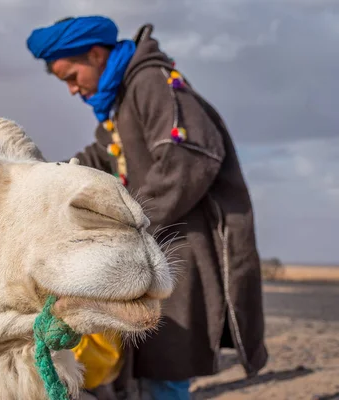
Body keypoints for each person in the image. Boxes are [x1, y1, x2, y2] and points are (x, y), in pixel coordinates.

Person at [26, 16, 268, 399]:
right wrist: (41, 177)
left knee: (165, 370)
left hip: (179, 249)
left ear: (95, 54)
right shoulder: (118, 103)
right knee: (146, 368)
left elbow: (190, 155)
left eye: (72, 76)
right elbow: (102, 158)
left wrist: (126, 220)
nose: (72, 89)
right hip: (152, 246)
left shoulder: (151, 81)